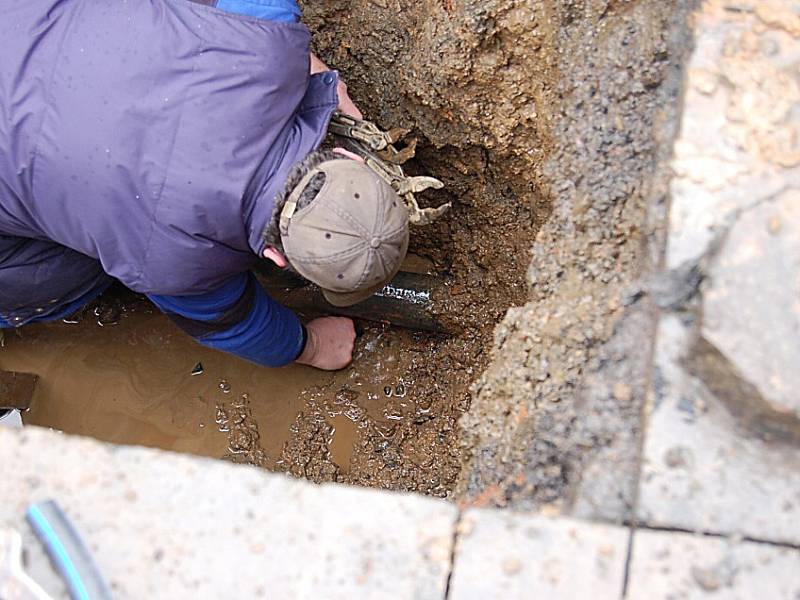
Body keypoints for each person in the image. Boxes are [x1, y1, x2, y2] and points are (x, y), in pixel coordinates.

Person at [0, 0, 411, 372]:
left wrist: (312, 70)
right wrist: (312, 346)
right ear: (274, 257)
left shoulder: (263, 32)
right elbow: (231, 324)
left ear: (348, 156)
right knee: (71, 269)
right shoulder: (169, 261)